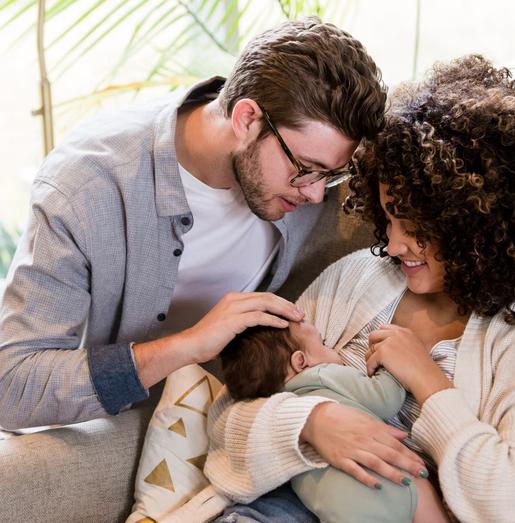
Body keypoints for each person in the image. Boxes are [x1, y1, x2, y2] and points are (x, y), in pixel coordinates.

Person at [204, 54, 515, 522]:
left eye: (414, 228)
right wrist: (312, 423)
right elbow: (227, 417)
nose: (391, 244)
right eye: (388, 218)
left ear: (479, 226)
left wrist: (428, 385)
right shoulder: (359, 278)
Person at [0, 17, 389, 431]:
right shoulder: (88, 188)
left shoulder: (307, 170)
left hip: (244, 422)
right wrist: (189, 345)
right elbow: (12, 387)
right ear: (246, 119)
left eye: (331, 176)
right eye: (306, 169)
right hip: (119, 431)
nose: (315, 195)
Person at [162, 321, 445, 522]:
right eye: (323, 343)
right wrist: (391, 364)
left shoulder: (276, 414)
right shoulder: (323, 375)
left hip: (338, 511)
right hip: (391, 482)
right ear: (301, 362)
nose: (332, 349)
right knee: (421, 486)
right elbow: (386, 399)